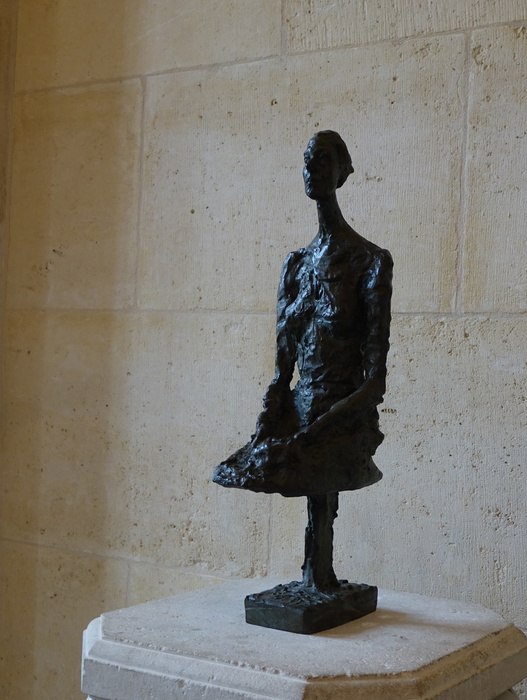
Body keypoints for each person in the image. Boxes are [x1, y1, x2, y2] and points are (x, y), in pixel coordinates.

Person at [213, 131, 392, 591]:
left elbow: (374, 383)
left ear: (342, 171)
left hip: (340, 419)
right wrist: (270, 423)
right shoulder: (296, 265)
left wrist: (312, 437)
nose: (311, 167)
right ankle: (315, 578)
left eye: (323, 159)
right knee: (248, 467)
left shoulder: (370, 262)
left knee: (314, 475)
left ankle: (320, 578)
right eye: (307, 160)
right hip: (297, 412)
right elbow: (281, 372)